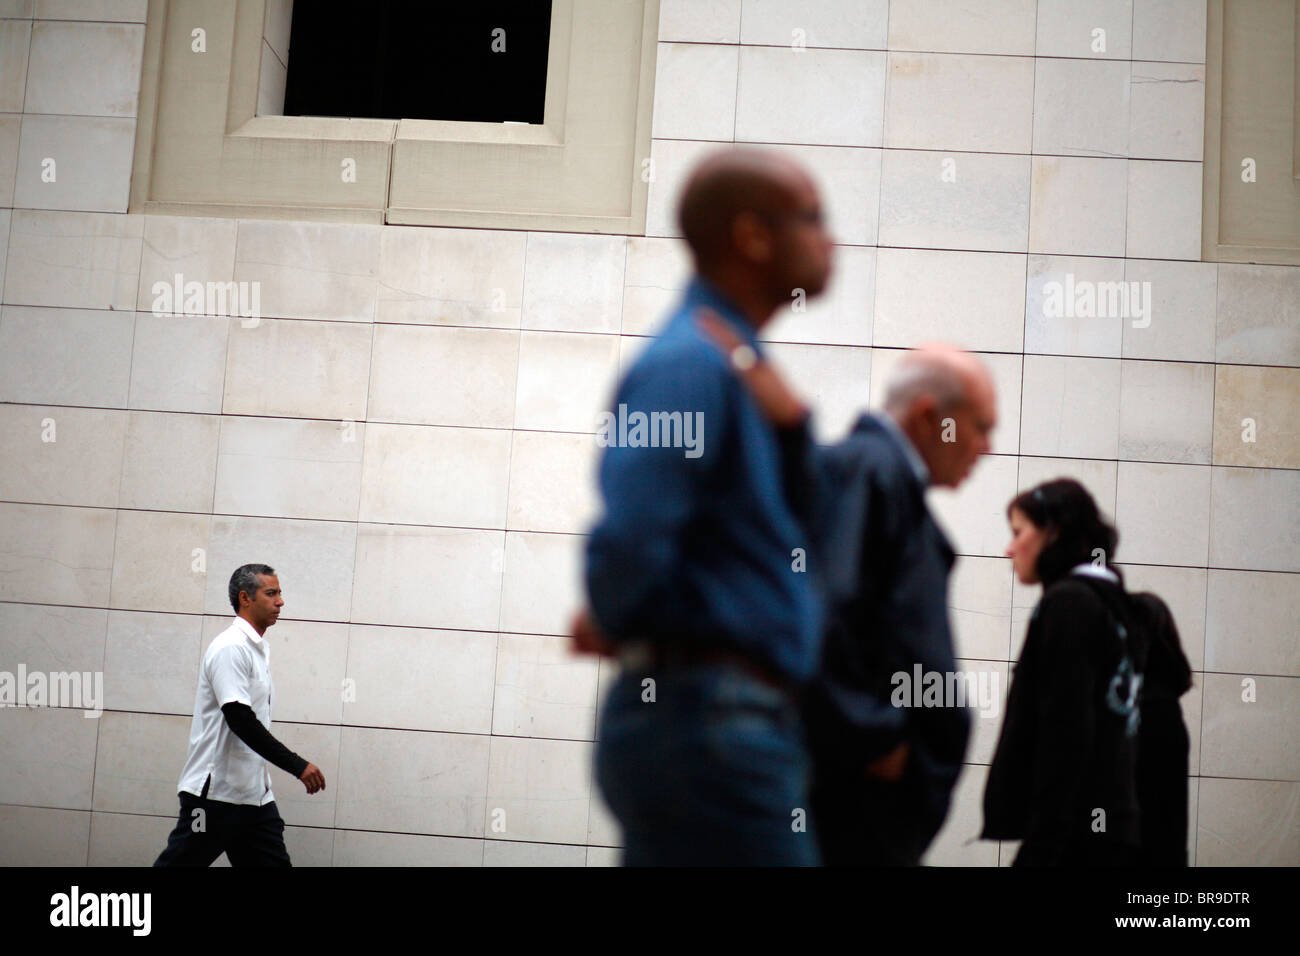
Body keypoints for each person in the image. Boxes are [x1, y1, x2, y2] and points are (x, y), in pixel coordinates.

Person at [575, 147, 834, 865]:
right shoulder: (691, 363)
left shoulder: (736, 364)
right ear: (751, 236)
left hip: (720, 723)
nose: (830, 239)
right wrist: (620, 613)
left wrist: (792, 432)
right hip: (710, 725)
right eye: (813, 219)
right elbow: (631, 536)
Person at [802, 346, 998, 866]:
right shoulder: (870, 470)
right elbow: (824, 610)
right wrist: (871, 734)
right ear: (930, 416)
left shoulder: (881, 478)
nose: (987, 448)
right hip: (857, 805)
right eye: (980, 427)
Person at [981, 479, 1193, 866]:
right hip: (1118, 833)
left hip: (1072, 838)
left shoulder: (1068, 604)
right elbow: (1163, 737)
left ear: (1053, 531)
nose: (1008, 548)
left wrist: (1043, 846)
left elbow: (1065, 730)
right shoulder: (1124, 611)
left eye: (1018, 532)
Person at [154, 564, 326, 866]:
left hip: (255, 801)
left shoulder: (256, 649)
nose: (280, 601)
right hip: (213, 799)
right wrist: (298, 765)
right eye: (271, 593)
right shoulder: (230, 648)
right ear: (245, 598)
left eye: (280, 593)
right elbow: (240, 721)